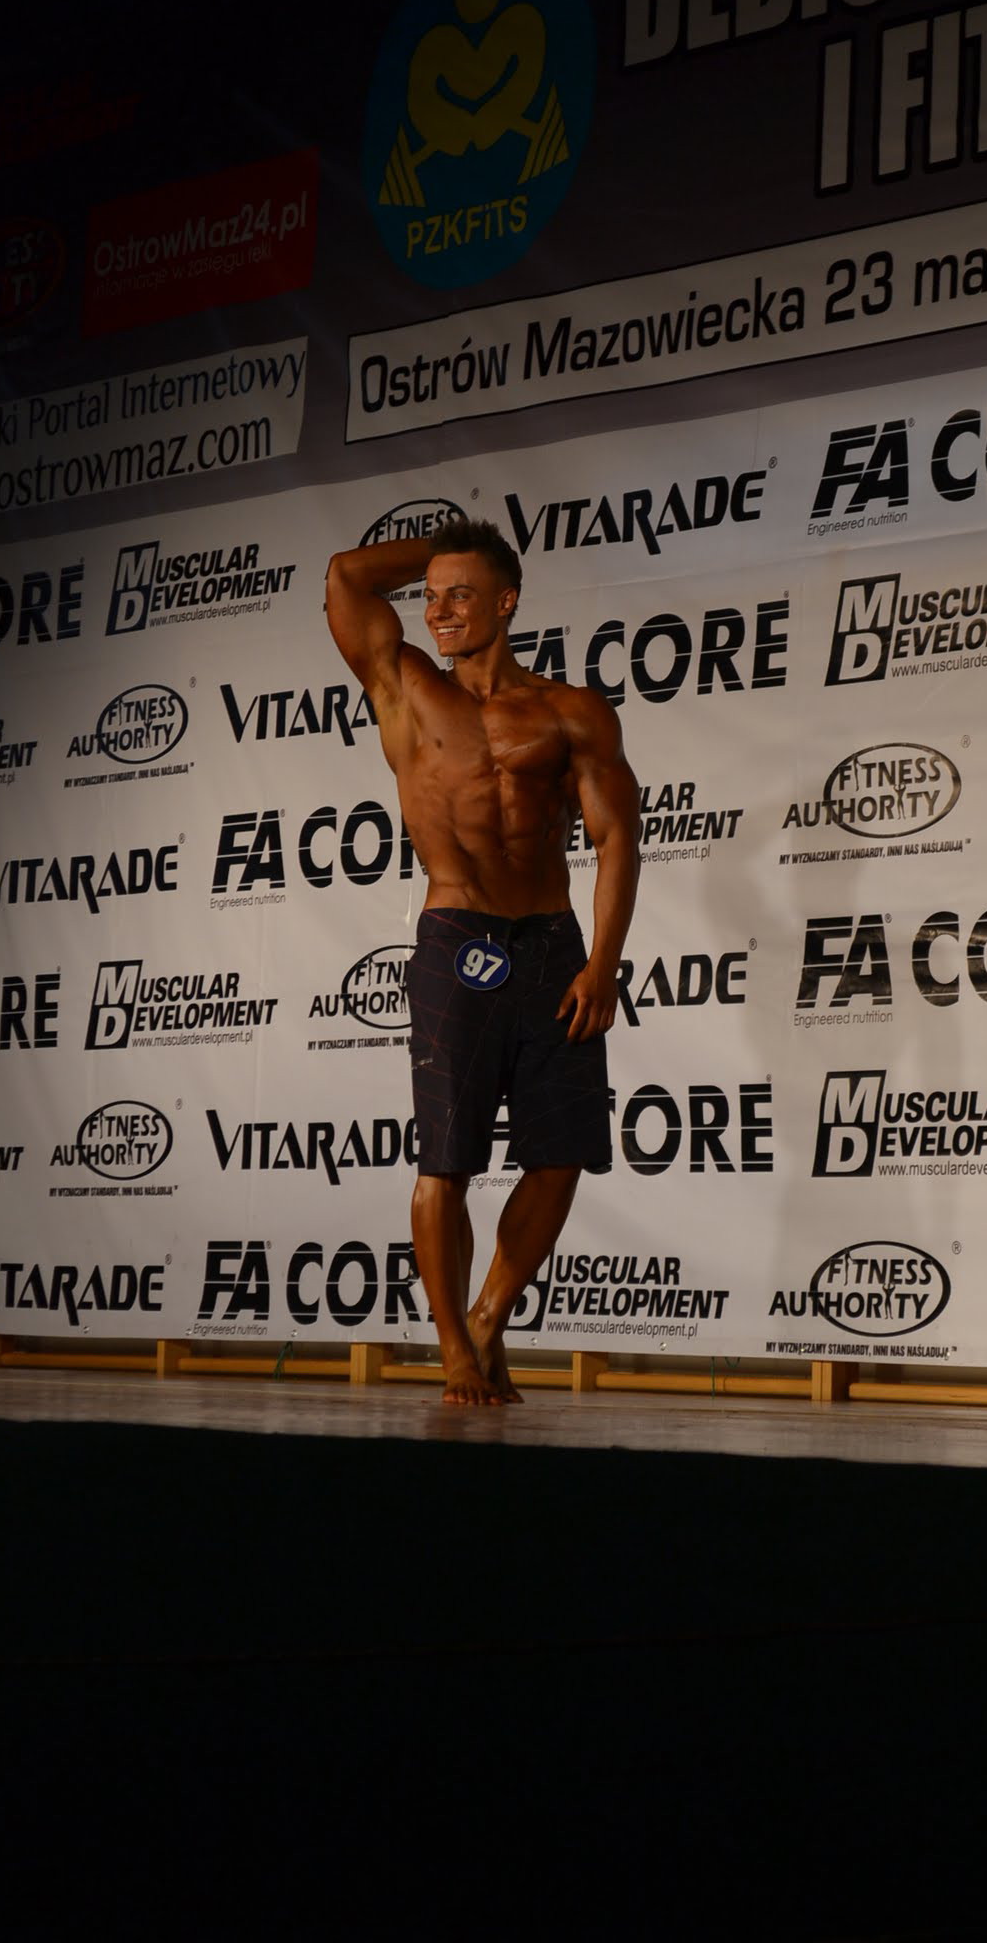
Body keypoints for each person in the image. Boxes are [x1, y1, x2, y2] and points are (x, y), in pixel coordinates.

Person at [324, 517, 640, 1404]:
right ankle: (454, 1350)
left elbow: (616, 838)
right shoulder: (404, 683)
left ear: (507, 602)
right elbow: (347, 576)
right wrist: (438, 550)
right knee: (446, 1164)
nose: (438, 611)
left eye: (460, 595)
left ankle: (490, 1315)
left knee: (563, 1154)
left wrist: (603, 963)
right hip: (455, 936)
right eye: (431, 596)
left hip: (551, 944)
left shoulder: (572, 712)